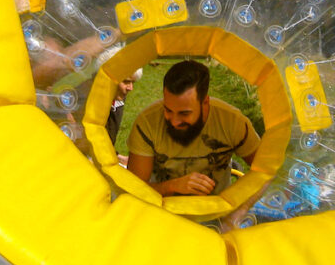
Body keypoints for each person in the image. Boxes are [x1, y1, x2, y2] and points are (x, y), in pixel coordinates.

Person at [126, 60, 260, 196]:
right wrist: (171, 186)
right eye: (168, 110)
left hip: (217, 210)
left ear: (205, 103)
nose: (174, 122)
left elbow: (265, 170)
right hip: (162, 209)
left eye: (184, 113)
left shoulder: (232, 122)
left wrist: (238, 208)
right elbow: (134, 189)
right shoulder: (147, 122)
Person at [106, 68, 141, 145]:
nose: (130, 88)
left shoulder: (118, 97)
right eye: (126, 81)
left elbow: (108, 137)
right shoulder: (80, 101)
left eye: (133, 82)